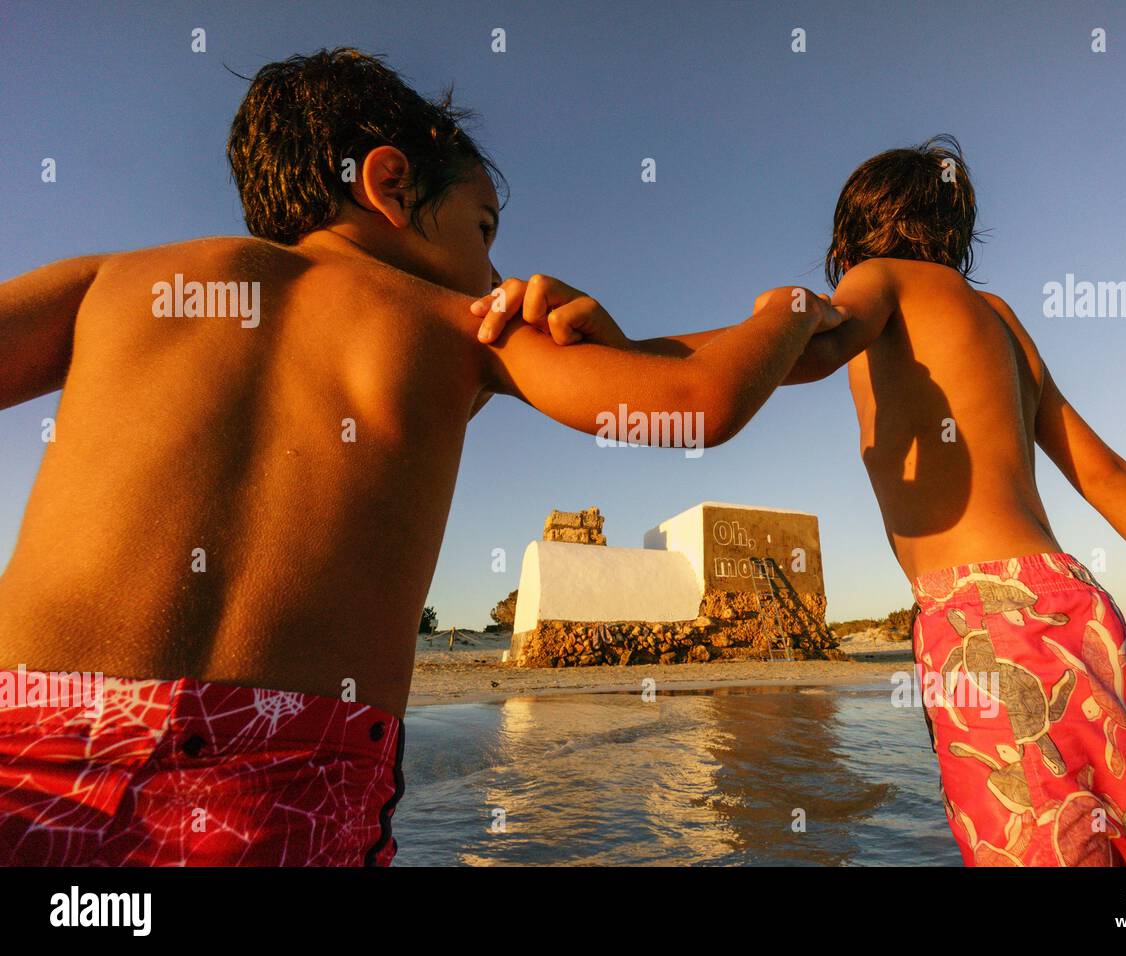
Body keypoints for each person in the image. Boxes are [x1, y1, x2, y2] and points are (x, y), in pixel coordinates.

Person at [0, 48, 852, 866]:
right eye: (483, 228)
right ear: (392, 185)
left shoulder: (117, 280)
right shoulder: (462, 329)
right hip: (284, 778)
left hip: (28, 747)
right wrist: (791, 307)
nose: (494, 267)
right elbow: (697, 404)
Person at [479, 136, 1126, 867]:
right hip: (1074, 608)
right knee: (1092, 843)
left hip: (982, 617)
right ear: (957, 233)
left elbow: (805, 348)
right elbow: (1099, 470)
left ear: (849, 235)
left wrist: (628, 348)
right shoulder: (1000, 320)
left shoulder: (881, 280)